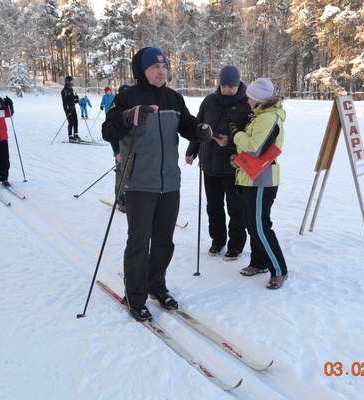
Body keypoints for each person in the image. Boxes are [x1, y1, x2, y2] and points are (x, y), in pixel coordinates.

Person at [102, 47, 217, 322]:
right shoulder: (126, 97)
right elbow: (108, 132)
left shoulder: (173, 98)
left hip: (170, 183)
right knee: (139, 244)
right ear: (142, 70)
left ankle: (156, 286)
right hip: (140, 183)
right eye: (155, 67)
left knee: (164, 242)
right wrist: (129, 116)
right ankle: (135, 295)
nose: (161, 71)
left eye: (164, 66)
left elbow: (187, 124)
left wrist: (200, 131)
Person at [185, 65, 251, 261]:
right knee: (213, 206)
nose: (226, 90)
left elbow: (250, 137)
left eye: (231, 86)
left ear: (238, 84)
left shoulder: (248, 104)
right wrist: (192, 151)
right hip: (209, 164)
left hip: (233, 167)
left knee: (235, 208)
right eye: (223, 86)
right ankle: (218, 241)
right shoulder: (209, 101)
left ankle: (236, 245)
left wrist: (229, 142)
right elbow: (198, 128)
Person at [230, 78, 289, 290]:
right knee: (253, 224)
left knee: (260, 227)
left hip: (262, 181)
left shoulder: (268, 117)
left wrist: (237, 135)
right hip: (251, 177)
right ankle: (259, 262)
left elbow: (255, 148)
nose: (247, 101)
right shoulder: (260, 116)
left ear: (258, 99)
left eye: (250, 98)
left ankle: (279, 270)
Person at [100, 86, 126, 211]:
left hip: (135, 150)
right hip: (121, 150)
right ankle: (120, 200)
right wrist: (117, 151)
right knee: (121, 173)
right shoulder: (116, 111)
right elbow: (111, 134)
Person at [61, 76, 81, 142]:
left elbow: (72, 98)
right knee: (71, 122)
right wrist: (72, 102)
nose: (72, 83)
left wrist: (76, 98)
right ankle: (70, 136)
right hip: (68, 108)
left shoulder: (71, 89)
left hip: (73, 106)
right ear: (67, 82)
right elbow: (65, 101)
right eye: (71, 81)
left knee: (75, 120)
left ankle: (76, 134)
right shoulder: (64, 91)